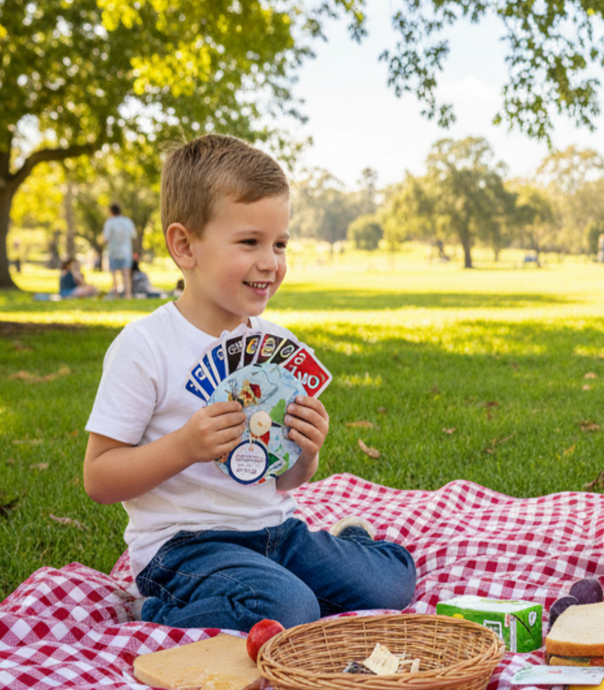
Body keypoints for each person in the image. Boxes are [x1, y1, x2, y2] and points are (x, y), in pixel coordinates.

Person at [82, 135, 416, 632]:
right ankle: (160, 612)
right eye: (250, 242)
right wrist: (185, 446)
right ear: (184, 246)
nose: (271, 262)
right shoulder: (146, 347)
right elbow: (99, 479)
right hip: (184, 547)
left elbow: (281, 480)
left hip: (273, 531)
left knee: (392, 583)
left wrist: (306, 454)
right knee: (288, 609)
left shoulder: (277, 347)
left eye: (280, 244)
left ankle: (345, 546)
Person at [102, 203, 137, 299]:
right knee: (126, 274)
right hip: (126, 252)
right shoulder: (128, 221)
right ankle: (128, 294)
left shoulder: (109, 222)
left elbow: (105, 238)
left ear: (111, 212)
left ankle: (116, 294)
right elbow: (134, 235)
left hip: (113, 252)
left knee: (114, 275)